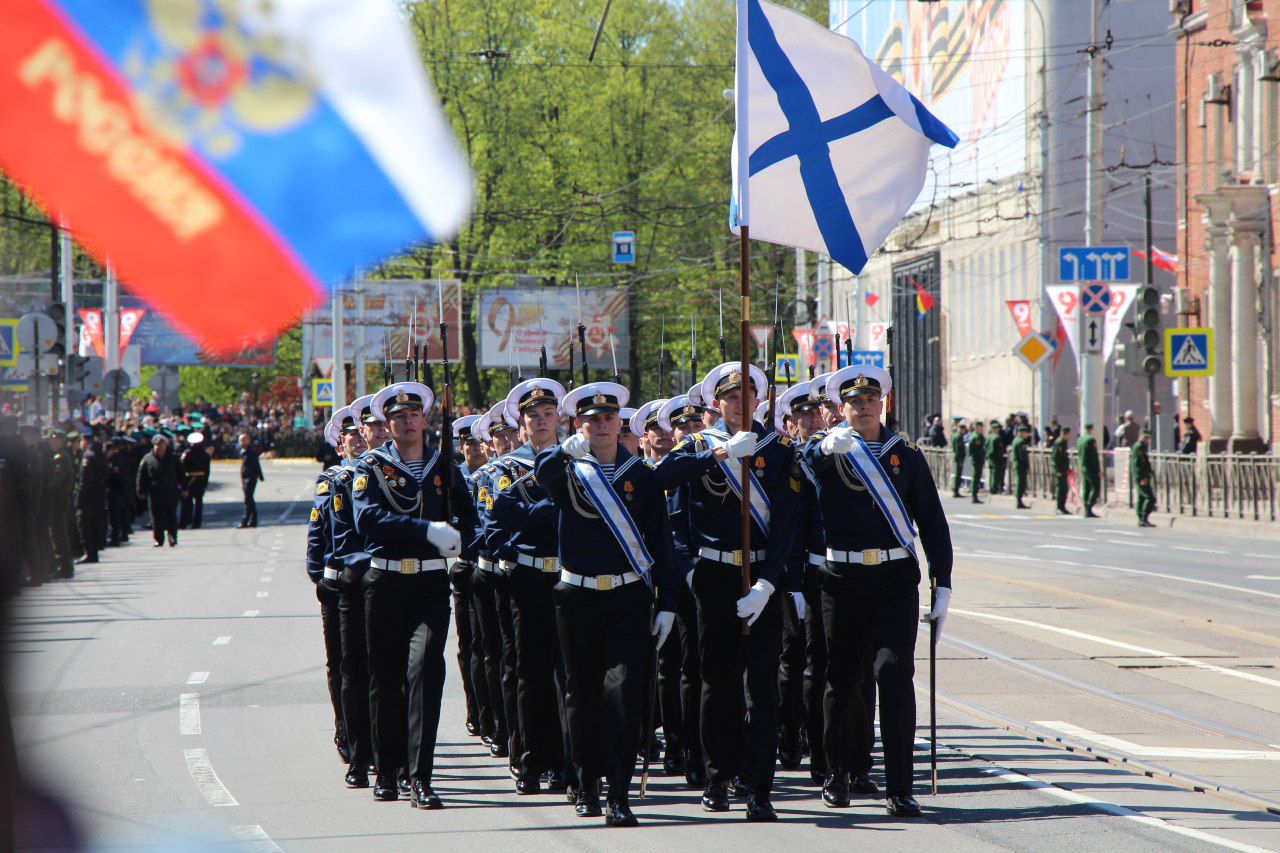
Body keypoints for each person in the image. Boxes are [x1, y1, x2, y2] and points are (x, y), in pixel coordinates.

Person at [801, 364, 953, 818]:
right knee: (843, 678)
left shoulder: (904, 453)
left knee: (893, 672)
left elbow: (932, 520)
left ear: (881, 403)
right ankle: (837, 771)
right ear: (840, 408)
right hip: (841, 580)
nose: (864, 406)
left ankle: (900, 787)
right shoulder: (826, 449)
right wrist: (823, 450)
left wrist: (942, 581)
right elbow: (801, 474)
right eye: (854, 401)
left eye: (871, 399)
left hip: (894, 578)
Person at [655, 363, 801, 821]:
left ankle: (759, 787)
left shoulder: (777, 449)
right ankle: (718, 777)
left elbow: (787, 525)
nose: (739, 403)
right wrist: (717, 457)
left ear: (758, 401)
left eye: (747, 396)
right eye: (730, 397)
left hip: (760, 579)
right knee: (717, 682)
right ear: (717, 403)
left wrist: (770, 582)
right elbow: (662, 481)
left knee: (760, 686)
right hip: (714, 578)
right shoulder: (698, 446)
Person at [535, 381, 678, 827]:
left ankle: (619, 792)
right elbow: (543, 476)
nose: (600, 425)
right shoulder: (570, 470)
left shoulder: (642, 477)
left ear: (621, 423)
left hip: (627, 597)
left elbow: (662, 543)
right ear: (579, 425)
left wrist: (668, 603)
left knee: (621, 691)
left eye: (608, 418)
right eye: (591, 420)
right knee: (582, 694)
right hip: (576, 597)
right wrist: (563, 450)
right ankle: (586, 783)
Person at [351, 381, 476, 808]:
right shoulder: (370, 468)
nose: (407, 422)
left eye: (414, 415)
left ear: (425, 419)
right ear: (388, 424)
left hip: (429, 584)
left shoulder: (443, 465)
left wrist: (463, 548)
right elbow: (368, 519)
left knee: (424, 671)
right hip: (384, 583)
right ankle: (388, 770)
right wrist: (426, 530)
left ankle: (421, 776)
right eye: (399, 417)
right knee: (385, 678)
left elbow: (469, 518)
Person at [487, 379, 574, 796]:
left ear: (559, 417)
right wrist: (549, 509)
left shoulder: (576, 460)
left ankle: (564, 761)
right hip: (526, 578)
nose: (540, 421)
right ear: (520, 423)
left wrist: (532, 514)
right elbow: (502, 519)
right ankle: (529, 759)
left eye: (547, 414)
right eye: (532, 416)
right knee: (530, 672)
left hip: (570, 575)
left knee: (568, 673)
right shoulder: (508, 468)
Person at [333, 392, 388, 789]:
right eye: (371, 427)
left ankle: (394, 755)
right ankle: (358, 751)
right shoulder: (341, 478)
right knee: (353, 670)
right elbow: (333, 534)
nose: (378, 431)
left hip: (390, 579)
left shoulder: (402, 472)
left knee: (392, 673)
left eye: (383, 425)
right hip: (356, 580)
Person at [306, 406, 364, 779]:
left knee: (369, 663)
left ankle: (369, 733)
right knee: (340, 662)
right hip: (337, 579)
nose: (357, 439)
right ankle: (344, 725)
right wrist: (319, 577)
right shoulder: (330, 480)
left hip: (370, 579)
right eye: (351, 436)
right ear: (340, 444)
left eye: (362, 433)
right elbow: (317, 533)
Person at [654, 393, 706, 788]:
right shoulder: (666, 470)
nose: (689, 432)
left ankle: (707, 745)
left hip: (710, 574)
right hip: (673, 576)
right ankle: (679, 744)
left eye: (694, 425)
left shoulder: (714, 464)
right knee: (675, 666)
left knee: (707, 665)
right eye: (681, 427)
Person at [136, 434, 183, 547]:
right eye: (157, 445)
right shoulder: (147, 459)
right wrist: (140, 490)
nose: (160, 447)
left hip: (170, 492)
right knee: (156, 518)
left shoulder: (173, 458)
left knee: (171, 516)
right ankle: (158, 539)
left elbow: (181, 474)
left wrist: (184, 487)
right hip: (155, 493)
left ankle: (172, 537)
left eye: (162, 445)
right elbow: (141, 476)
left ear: (166, 446)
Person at [74, 432, 109, 565]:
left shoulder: (88, 457)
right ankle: (94, 551)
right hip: (99, 496)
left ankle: (89, 552)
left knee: (84, 525)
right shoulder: (102, 457)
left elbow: (84, 481)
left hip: (88, 497)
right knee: (95, 525)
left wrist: (78, 498)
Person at [45, 429, 76, 578]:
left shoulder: (61, 457)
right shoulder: (59, 456)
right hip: (58, 500)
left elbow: (56, 482)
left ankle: (65, 566)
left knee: (58, 532)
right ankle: (64, 565)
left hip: (59, 500)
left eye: (54, 439)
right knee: (57, 532)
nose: (51, 442)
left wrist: (44, 489)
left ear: (61, 440)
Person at [179, 432, 211, 529]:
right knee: (198, 502)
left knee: (186, 502)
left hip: (188, 479)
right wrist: (205, 482)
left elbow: (182, 468)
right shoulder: (205, 454)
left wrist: (182, 482)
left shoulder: (186, 453)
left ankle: (184, 522)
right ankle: (197, 523)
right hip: (200, 479)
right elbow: (207, 470)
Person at [237, 432, 264, 528]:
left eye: (244, 440)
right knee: (249, 499)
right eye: (240, 440)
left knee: (248, 500)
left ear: (248, 440)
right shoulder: (244, 452)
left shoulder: (251, 452)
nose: (242, 442)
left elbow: (256, 465)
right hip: (245, 478)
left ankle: (245, 520)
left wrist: (261, 476)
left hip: (250, 478)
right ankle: (253, 520)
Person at [1132, 428, 1156, 527]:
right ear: (1140, 436)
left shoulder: (1141, 446)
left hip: (1142, 476)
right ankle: (1143, 517)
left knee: (1141, 497)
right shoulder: (1139, 447)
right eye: (1145, 437)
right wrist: (1142, 477)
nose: (1147, 440)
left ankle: (1142, 519)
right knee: (1150, 497)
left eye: (1148, 438)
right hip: (1141, 477)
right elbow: (1138, 464)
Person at [1077, 423, 1101, 518]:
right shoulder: (1091, 440)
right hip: (1090, 467)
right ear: (1091, 429)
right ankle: (1089, 507)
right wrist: (1098, 469)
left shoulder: (1080, 439)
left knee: (1086, 488)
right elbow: (1094, 456)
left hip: (1082, 466)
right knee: (1095, 487)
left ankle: (1086, 507)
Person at [1010, 423, 1032, 509]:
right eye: (1026, 433)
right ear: (1022, 432)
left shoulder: (1016, 440)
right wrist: (1027, 467)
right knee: (1020, 483)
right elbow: (1023, 456)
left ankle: (1019, 501)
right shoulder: (1021, 441)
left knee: (1019, 482)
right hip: (1020, 465)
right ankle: (1019, 501)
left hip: (1017, 464)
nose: (1027, 434)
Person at [1052, 426, 1071, 515]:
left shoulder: (1063, 442)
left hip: (1063, 469)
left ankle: (1063, 507)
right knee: (1060, 489)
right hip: (1060, 470)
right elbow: (1056, 458)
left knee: (1064, 489)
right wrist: (1057, 470)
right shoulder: (1059, 442)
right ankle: (1059, 507)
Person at [967, 421, 986, 504]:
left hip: (979, 460)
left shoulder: (979, 436)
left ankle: (975, 495)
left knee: (977, 478)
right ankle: (974, 496)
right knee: (975, 478)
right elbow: (972, 450)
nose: (982, 429)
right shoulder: (975, 437)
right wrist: (976, 459)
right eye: (980, 427)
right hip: (976, 460)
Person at [986, 419, 1006, 496]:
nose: (998, 430)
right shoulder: (997, 438)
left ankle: (992, 488)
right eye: (996, 428)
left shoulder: (989, 437)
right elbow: (998, 450)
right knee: (995, 474)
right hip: (996, 459)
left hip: (990, 459)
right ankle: (994, 489)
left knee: (992, 474)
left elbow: (985, 447)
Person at [949, 421, 967, 497]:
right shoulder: (958, 437)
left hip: (957, 457)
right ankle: (955, 491)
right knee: (957, 475)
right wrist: (960, 460)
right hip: (958, 458)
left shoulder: (957, 436)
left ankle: (955, 490)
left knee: (957, 474)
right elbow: (957, 449)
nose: (964, 431)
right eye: (963, 429)